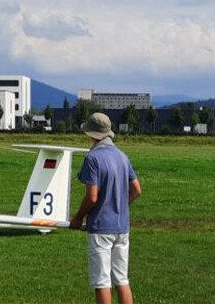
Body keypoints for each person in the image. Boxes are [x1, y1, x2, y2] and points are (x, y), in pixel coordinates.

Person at [70, 113, 142, 304]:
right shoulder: (122, 156)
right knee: (122, 279)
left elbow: (92, 197)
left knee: (102, 281)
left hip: (101, 228)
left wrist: (78, 217)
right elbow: (136, 190)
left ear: (91, 134)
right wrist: (120, 206)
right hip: (122, 227)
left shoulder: (92, 158)